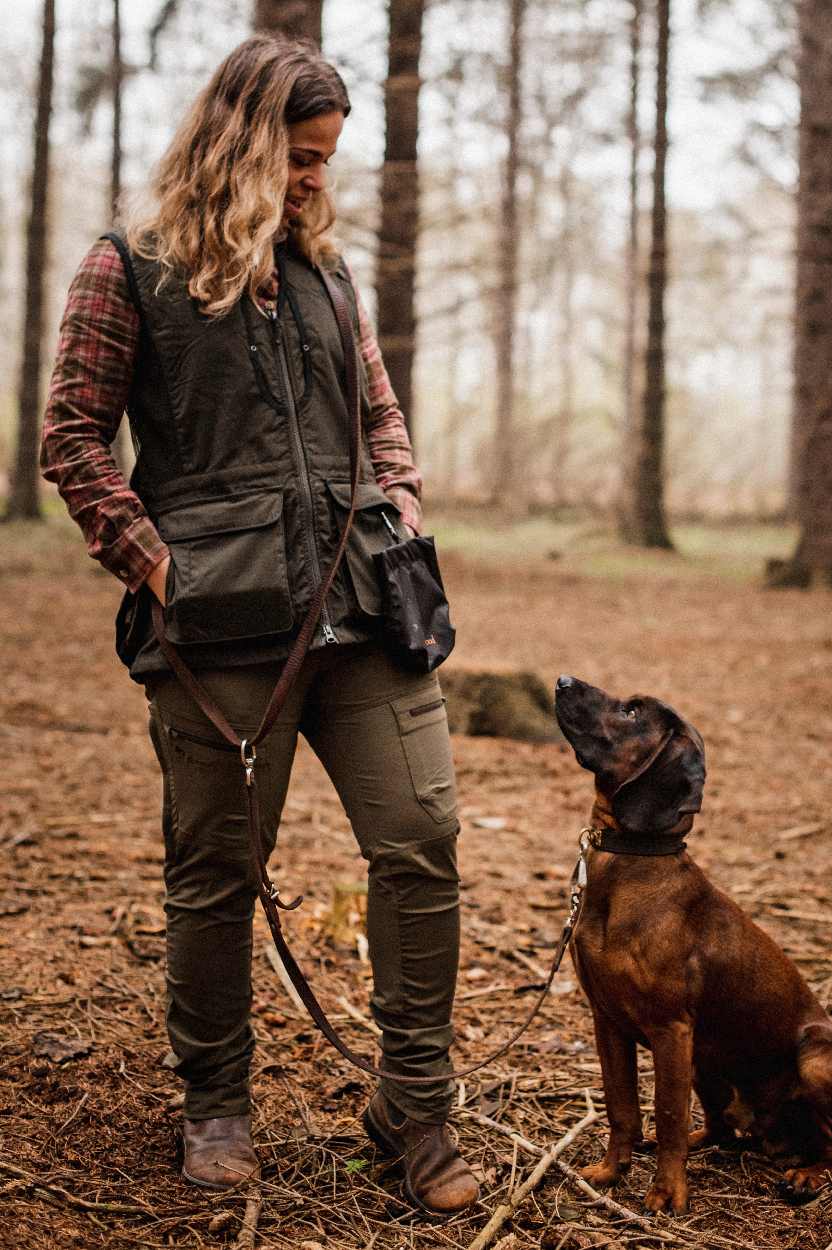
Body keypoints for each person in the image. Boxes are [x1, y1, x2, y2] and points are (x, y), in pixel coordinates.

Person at [40, 35, 478, 1217]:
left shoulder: (329, 273)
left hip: (367, 611)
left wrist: (398, 501)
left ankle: (413, 1105)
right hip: (218, 634)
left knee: (422, 836)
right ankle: (217, 1102)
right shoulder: (124, 267)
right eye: (298, 157)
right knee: (217, 872)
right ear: (237, 145)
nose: (315, 181)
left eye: (327, 159)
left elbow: (381, 414)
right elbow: (72, 439)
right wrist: (158, 565)